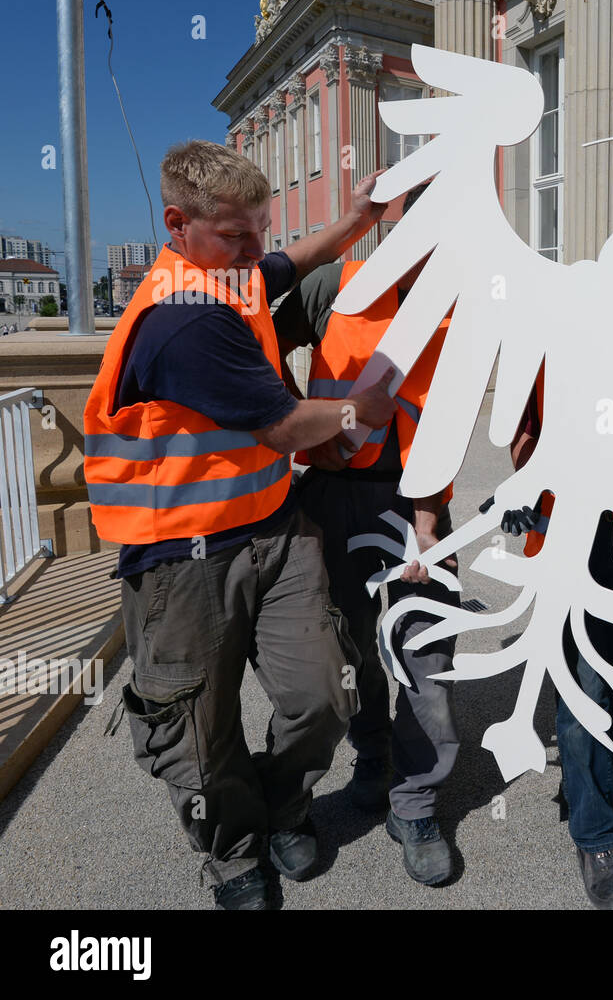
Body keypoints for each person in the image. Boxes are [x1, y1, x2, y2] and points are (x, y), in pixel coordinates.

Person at [85, 140, 398, 909]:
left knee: (323, 693)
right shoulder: (181, 320)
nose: (257, 251)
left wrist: (357, 219)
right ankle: (232, 852)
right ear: (177, 225)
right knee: (197, 727)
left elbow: (288, 262)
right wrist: (360, 409)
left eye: (262, 229)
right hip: (181, 558)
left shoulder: (231, 271)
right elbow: (287, 425)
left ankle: (282, 805)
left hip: (276, 530)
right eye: (237, 235)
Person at [274, 182, 462, 887]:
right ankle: (371, 755)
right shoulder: (332, 285)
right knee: (344, 648)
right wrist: (298, 424)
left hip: (421, 502)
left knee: (426, 653)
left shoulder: (466, 305)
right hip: (334, 494)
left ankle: (415, 803)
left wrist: (428, 521)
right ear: (393, 225)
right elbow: (256, 344)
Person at [503, 369, 613, 909]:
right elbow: (524, 434)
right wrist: (523, 487)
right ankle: (596, 839)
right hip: (569, 534)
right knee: (584, 690)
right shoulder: (550, 348)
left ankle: (583, 787)